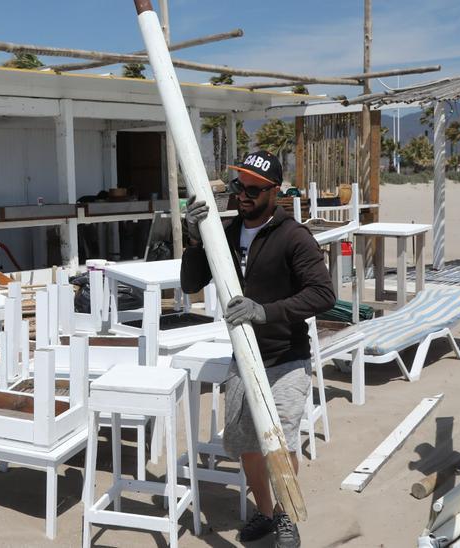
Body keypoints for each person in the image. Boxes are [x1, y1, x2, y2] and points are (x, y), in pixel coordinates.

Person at [180, 150, 335, 548]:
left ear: (274, 191)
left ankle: (287, 515)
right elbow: (190, 283)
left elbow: (323, 295)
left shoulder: (293, 236)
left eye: (252, 189)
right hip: (244, 358)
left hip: (286, 357)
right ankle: (265, 514)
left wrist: (264, 312)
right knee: (247, 443)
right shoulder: (226, 233)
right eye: (238, 186)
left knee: (278, 442)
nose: (243, 195)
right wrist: (195, 238)